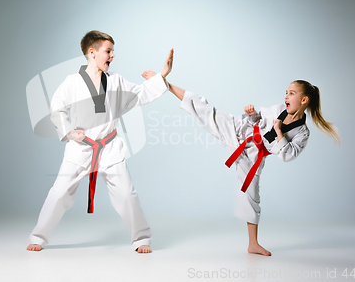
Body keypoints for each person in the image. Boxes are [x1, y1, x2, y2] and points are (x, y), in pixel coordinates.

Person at [141, 71, 339, 256]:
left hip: (253, 156)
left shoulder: (303, 132)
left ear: (304, 100)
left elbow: (288, 156)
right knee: (205, 108)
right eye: (286, 92)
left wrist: (279, 132)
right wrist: (251, 113)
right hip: (240, 131)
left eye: (292, 93)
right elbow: (257, 118)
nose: (286, 96)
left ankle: (253, 244)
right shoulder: (279, 109)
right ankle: (165, 83)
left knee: (250, 194)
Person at [27, 31, 174, 253]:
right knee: (58, 193)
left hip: (109, 147)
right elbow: (56, 108)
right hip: (80, 148)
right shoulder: (72, 83)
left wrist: (163, 73)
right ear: (91, 52)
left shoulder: (115, 81)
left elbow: (140, 94)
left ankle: (141, 238)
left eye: (113, 51)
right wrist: (68, 131)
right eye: (108, 51)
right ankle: (38, 236)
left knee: (126, 194)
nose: (112, 55)